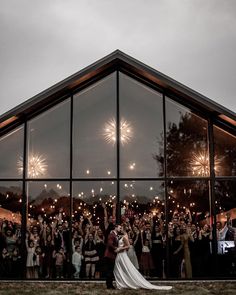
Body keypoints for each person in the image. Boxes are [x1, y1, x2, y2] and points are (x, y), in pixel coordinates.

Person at [104, 223, 122, 289]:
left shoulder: (115, 235)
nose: (120, 229)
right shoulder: (112, 235)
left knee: (110, 270)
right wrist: (116, 248)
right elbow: (110, 244)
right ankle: (109, 285)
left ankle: (109, 285)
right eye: (120, 228)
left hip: (111, 256)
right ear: (116, 228)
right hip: (109, 255)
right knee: (109, 270)